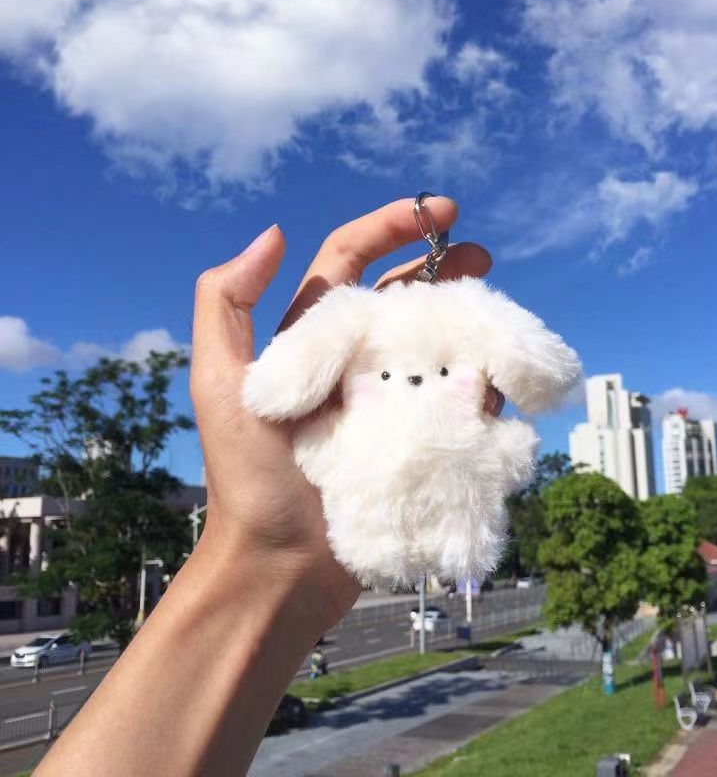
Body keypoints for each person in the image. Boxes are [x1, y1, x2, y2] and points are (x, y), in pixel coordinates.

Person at [32, 196, 498, 777]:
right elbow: (293, 380)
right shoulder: (356, 329)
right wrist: (265, 554)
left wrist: (270, 564)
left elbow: (527, 364)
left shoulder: (437, 330)